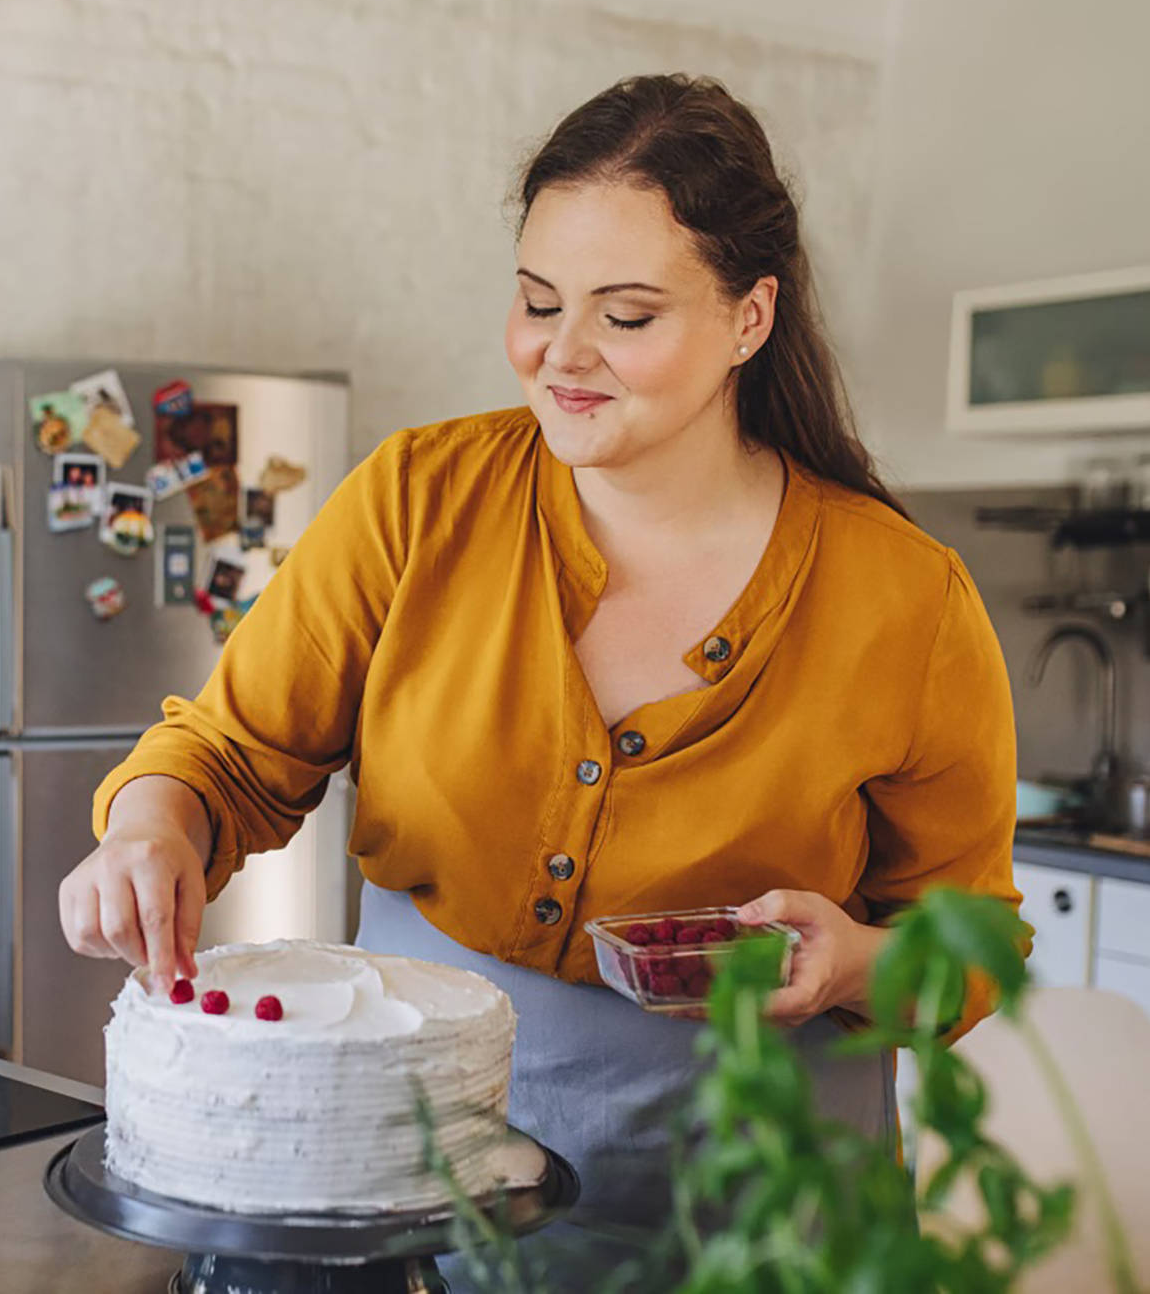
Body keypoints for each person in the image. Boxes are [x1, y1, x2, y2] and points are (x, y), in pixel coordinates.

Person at [58, 73, 1022, 1261]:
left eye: (624, 317)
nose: (560, 355)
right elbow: (226, 753)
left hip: (761, 1215)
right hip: (425, 1185)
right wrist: (153, 826)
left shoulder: (904, 599)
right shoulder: (418, 500)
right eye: (534, 301)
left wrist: (848, 965)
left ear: (748, 319)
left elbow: (968, 948)